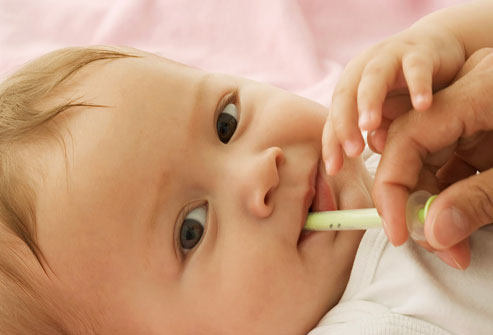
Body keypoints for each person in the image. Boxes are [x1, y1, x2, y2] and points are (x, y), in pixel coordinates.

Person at [323, 0, 493, 270]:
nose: (266, 170)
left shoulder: (364, 118)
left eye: (228, 122)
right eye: (226, 226)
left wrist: (451, 38)